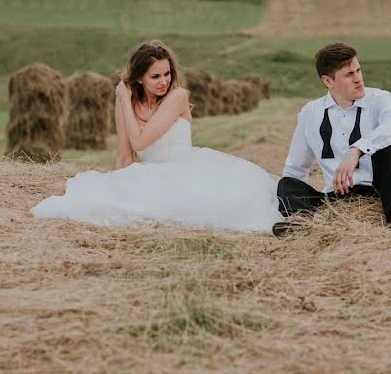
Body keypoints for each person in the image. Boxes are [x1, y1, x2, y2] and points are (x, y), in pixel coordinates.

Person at [32, 41, 283, 232]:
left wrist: (123, 99)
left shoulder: (177, 97)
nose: (164, 81)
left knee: (218, 210)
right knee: (102, 203)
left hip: (187, 171)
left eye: (167, 74)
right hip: (151, 174)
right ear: (139, 78)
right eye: (155, 76)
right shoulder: (127, 103)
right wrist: (118, 185)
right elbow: (124, 156)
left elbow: (140, 141)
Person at [274, 42, 391, 236]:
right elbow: (296, 168)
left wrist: (356, 150)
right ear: (328, 81)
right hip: (334, 197)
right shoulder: (310, 113)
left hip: (376, 190)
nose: (358, 79)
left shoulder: (380, 99)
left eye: (358, 70)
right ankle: (301, 224)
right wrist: (292, 203)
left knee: (390, 151)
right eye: (349, 75)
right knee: (287, 183)